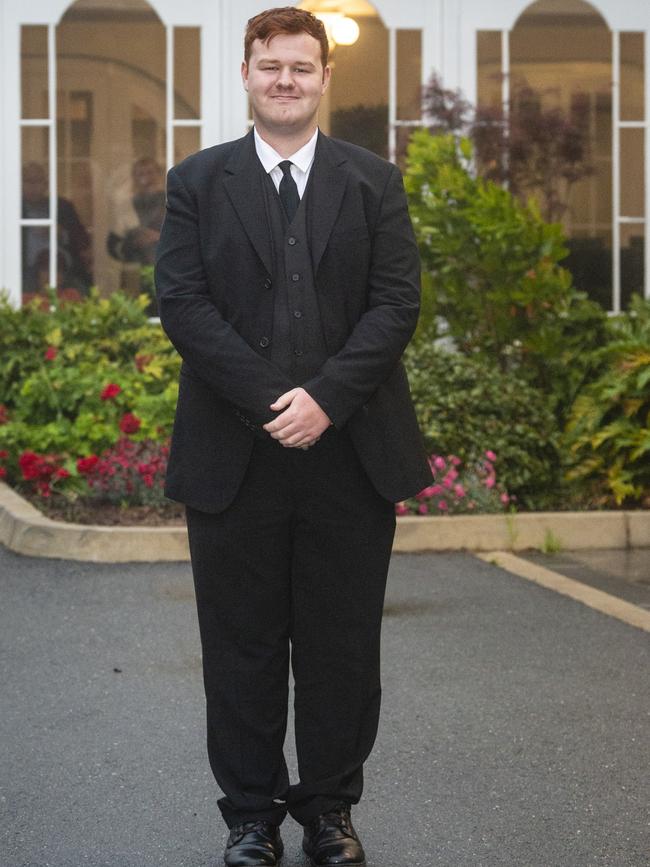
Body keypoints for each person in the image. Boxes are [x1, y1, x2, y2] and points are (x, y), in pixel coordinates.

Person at [155, 7, 432, 866]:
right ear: (246, 74)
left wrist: (326, 400)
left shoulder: (373, 182)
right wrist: (278, 399)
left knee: (341, 643)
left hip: (350, 453)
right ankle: (250, 817)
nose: (286, 80)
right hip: (234, 456)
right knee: (239, 644)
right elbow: (184, 305)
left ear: (323, 78)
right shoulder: (196, 182)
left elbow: (396, 305)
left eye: (302, 67)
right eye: (271, 65)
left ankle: (329, 812)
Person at [21, 161, 93, 294]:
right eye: (28, 181)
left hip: (62, 269)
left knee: (82, 294)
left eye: (37, 181)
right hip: (26, 271)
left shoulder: (62, 206)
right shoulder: (11, 209)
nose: (33, 186)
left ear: (46, 184)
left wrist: (61, 233)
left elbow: (82, 240)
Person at [107, 157, 166, 266]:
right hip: (137, 270)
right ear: (134, 178)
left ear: (159, 174)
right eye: (141, 174)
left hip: (167, 266)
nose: (146, 178)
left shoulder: (172, 201)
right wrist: (134, 242)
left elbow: (186, 237)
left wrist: (158, 237)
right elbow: (113, 246)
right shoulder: (126, 207)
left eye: (150, 172)